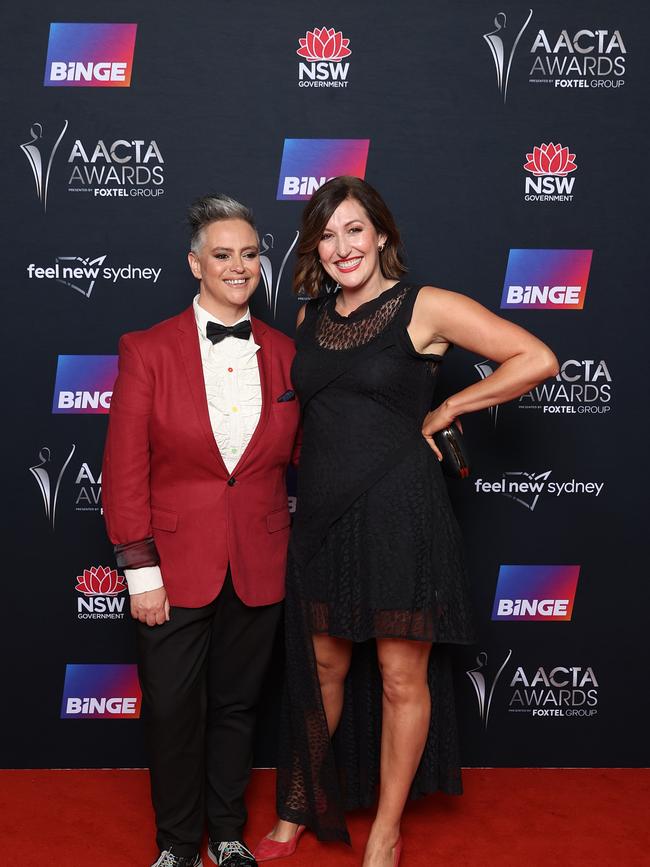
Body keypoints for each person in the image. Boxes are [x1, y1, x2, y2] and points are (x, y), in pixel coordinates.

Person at [253, 177, 558, 867]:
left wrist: (450, 408)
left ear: (382, 234)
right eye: (327, 235)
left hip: (401, 510)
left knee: (399, 676)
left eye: (354, 229)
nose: (341, 247)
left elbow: (537, 357)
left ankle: (386, 829)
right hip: (326, 515)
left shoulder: (426, 306)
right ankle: (298, 804)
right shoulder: (310, 318)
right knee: (322, 666)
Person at [102, 194, 301, 867]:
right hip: (173, 564)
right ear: (196, 263)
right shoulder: (146, 349)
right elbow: (124, 468)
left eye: (249, 253)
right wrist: (140, 570)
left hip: (260, 558)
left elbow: (316, 450)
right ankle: (178, 845)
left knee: (238, 707)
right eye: (223, 254)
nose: (239, 266)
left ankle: (227, 833)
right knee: (172, 711)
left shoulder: (285, 353)